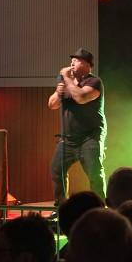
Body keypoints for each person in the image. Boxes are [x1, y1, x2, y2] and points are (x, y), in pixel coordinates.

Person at [48, 48, 107, 205]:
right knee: (56, 170)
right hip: (68, 139)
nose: (72, 63)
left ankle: (100, 207)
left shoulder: (94, 82)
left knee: (94, 173)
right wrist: (58, 92)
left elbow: (81, 97)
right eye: (72, 60)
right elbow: (52, 105)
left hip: (90, 137)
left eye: (77, 60)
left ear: (88, 65)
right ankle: (61, 207)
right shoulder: (66, 83)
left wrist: (67, 79)